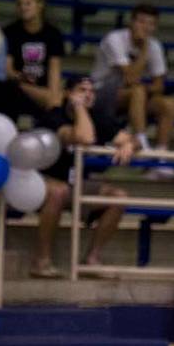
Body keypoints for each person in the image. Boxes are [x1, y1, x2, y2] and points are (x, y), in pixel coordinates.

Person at [31, 76, 133, 277]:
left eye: (91, 91)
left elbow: (131, 138)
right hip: (43, 181)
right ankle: (41, 261)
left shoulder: (97, 117)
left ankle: (92, 259)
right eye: (82, 90)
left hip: (75, 183)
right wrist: (79, 108)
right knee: (58, 192)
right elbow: (84, 138)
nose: (88, 95)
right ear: (68, 93)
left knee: (119, 197)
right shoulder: (54, 116)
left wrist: (129, 144)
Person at [90, 4, 174, 180]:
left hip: (131, 96)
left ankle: (160, 159)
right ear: (131, 22)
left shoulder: (156, 45)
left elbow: (159, 85)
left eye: (151, 24)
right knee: (137, 90)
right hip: (100, 95)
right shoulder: (114, 39)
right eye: (141, 21)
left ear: (155, 27)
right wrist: (144, 51)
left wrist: (144, 89)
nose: (145, 27)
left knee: (168, 104)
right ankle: (143, 147)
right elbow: (130, 77)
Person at [4, 0, 66, 114]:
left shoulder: (53, 34)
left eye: (28, 3)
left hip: (43, 87)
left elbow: (54, 71)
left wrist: (53, 95)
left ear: (40, 5)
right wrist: (21, 77)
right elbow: (8, 70)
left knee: (58, 99)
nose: (23, 7)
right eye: (20, 4)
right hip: (18, 86)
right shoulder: (10, 32)